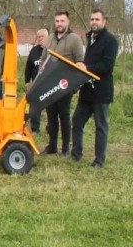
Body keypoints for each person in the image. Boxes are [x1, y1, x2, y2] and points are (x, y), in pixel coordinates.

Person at [72, 9, 118, 168]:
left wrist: (87, 68)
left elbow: (107, 64)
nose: (94, 22)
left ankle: (99, 161)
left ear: (104, 22)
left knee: (101, 127)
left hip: (102, 91)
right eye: (92, 19)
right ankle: (76, 154)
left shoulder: (110, 41)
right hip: (87, 90)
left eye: (97, 19)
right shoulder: (90, 38)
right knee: (77, 121)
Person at [41, 11, 85, 156]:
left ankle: (65, 148)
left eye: (62, 21)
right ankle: (52, 146)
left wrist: (74, 87)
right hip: (49, 85)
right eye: (57, 21)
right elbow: (43, 59)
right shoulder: (50, 38)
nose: (59, 24)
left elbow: (80, 63)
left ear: (68, 22)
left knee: (64, 116)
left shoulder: (74, 39)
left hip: (65, 86)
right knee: (51, 116)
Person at [24, 28, 48, 133]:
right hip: (36, 83)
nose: (40, 39)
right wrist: (27, 81)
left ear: (47, 37)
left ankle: (50, 128)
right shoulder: (34, 50)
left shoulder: (51, 50)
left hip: (48, 83)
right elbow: (28, 67)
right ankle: (35, 128)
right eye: (38, 37)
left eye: (42, 37)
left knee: (50, 107)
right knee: (34, 105)